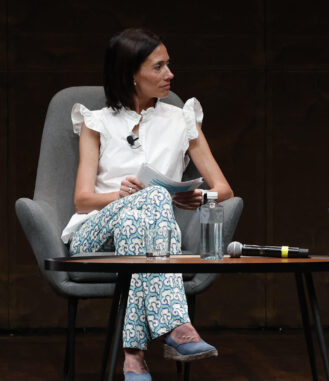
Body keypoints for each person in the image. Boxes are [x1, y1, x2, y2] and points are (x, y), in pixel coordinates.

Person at [60, 28, 234, 380]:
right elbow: (82, 199)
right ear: (130, 74)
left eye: (168, 65)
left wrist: (202, 197)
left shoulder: (182, 120)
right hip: (93, 234)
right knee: (153, 197)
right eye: (158, 67)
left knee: (149, 210)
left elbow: (224, 189)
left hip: (148, 236)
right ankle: (177, 326)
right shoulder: (97, 122)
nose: (169, 75)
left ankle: (133, 357)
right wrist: (120, 195)